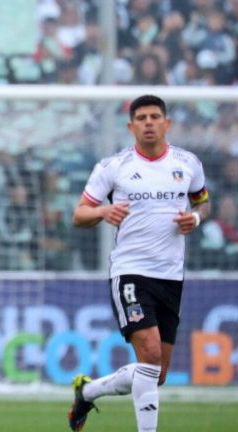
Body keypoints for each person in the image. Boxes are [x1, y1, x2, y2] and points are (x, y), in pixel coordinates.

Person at [69, 95, 211, 432]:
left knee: (156, 374)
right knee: (148, 353)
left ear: (167, 124)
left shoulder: (187, 163)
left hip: (171, 276)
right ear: (131, 126)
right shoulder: (113, 167)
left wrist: (195, 217)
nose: (149, 122)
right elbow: (79, 214)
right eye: (142, 118)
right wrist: (103, 211)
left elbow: (203, 203)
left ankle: (87, 392)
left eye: (155, 116)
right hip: (130, 272)